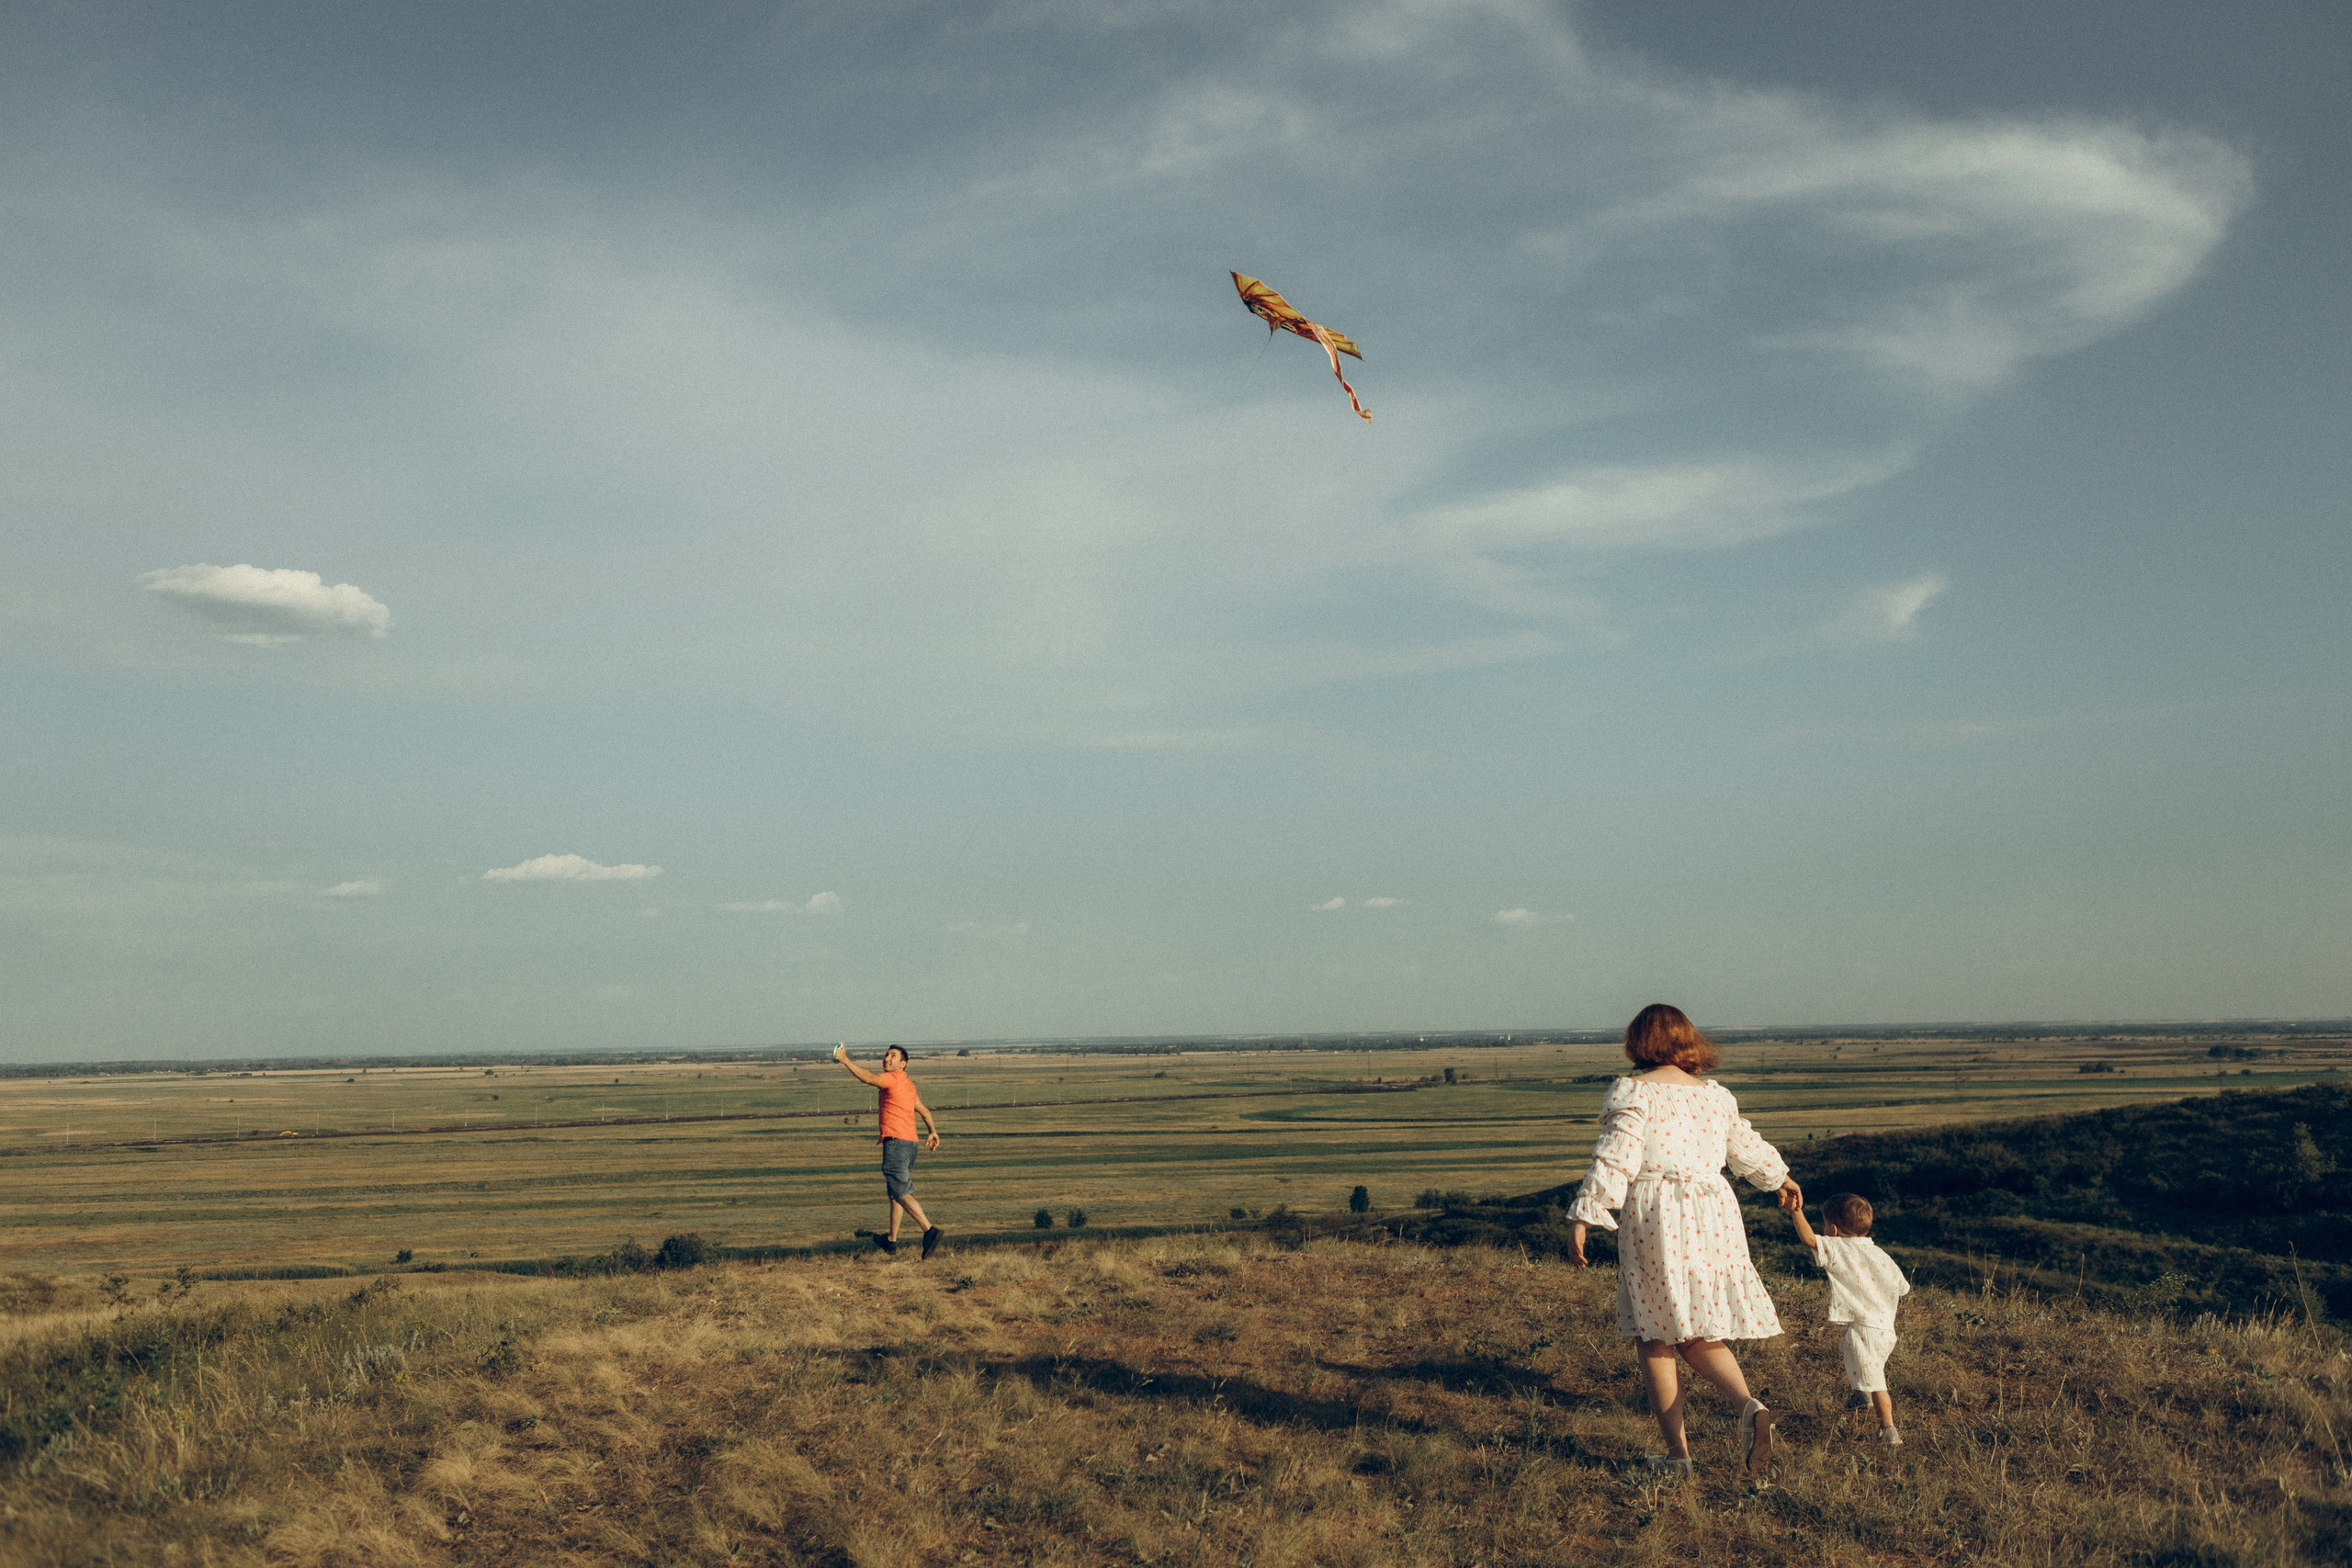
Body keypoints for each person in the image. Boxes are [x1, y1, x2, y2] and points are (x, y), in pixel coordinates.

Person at [1567, 1004, 1803, 1472]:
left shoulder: (1634, 1092)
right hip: (1713, 1213)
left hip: (1658, 1213)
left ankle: (1679, 1456)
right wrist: (1780, 1178)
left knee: (1655, 1332)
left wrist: (1587, 1212)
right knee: (1697, 1325)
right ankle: (1748, 1406)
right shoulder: (1715, 1096)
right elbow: (1746, 1148)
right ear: (1688, 1041)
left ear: (1637, 1042)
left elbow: (1616, 1157)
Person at [1782, 1190, 1910, 1447]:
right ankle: (1860, 1396)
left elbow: (1809, 1239)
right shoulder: (1881, 1255)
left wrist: (1796, 1212)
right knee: (1852, 1353)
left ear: (1833, 1229)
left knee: (1877, 1381)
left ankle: (1888, 1430)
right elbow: (1903, 1288)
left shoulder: (1839, 1248)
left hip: (1866, 1330)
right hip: (1885, 1330)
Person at [833, 1043, 944, 1258]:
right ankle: (891, 1240)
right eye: (886, 1055)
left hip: (897, 1144)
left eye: (893, 1056)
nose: (887, 1059)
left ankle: (929, 1230)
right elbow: (924, 1110)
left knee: (900, 1190)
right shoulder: (908, 1085)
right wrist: (933, 1132)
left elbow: (868, 1078)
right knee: (896, 1192)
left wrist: (845, 1060)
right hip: (910, 1145)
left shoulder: (893, 1079)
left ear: (903, 1064)